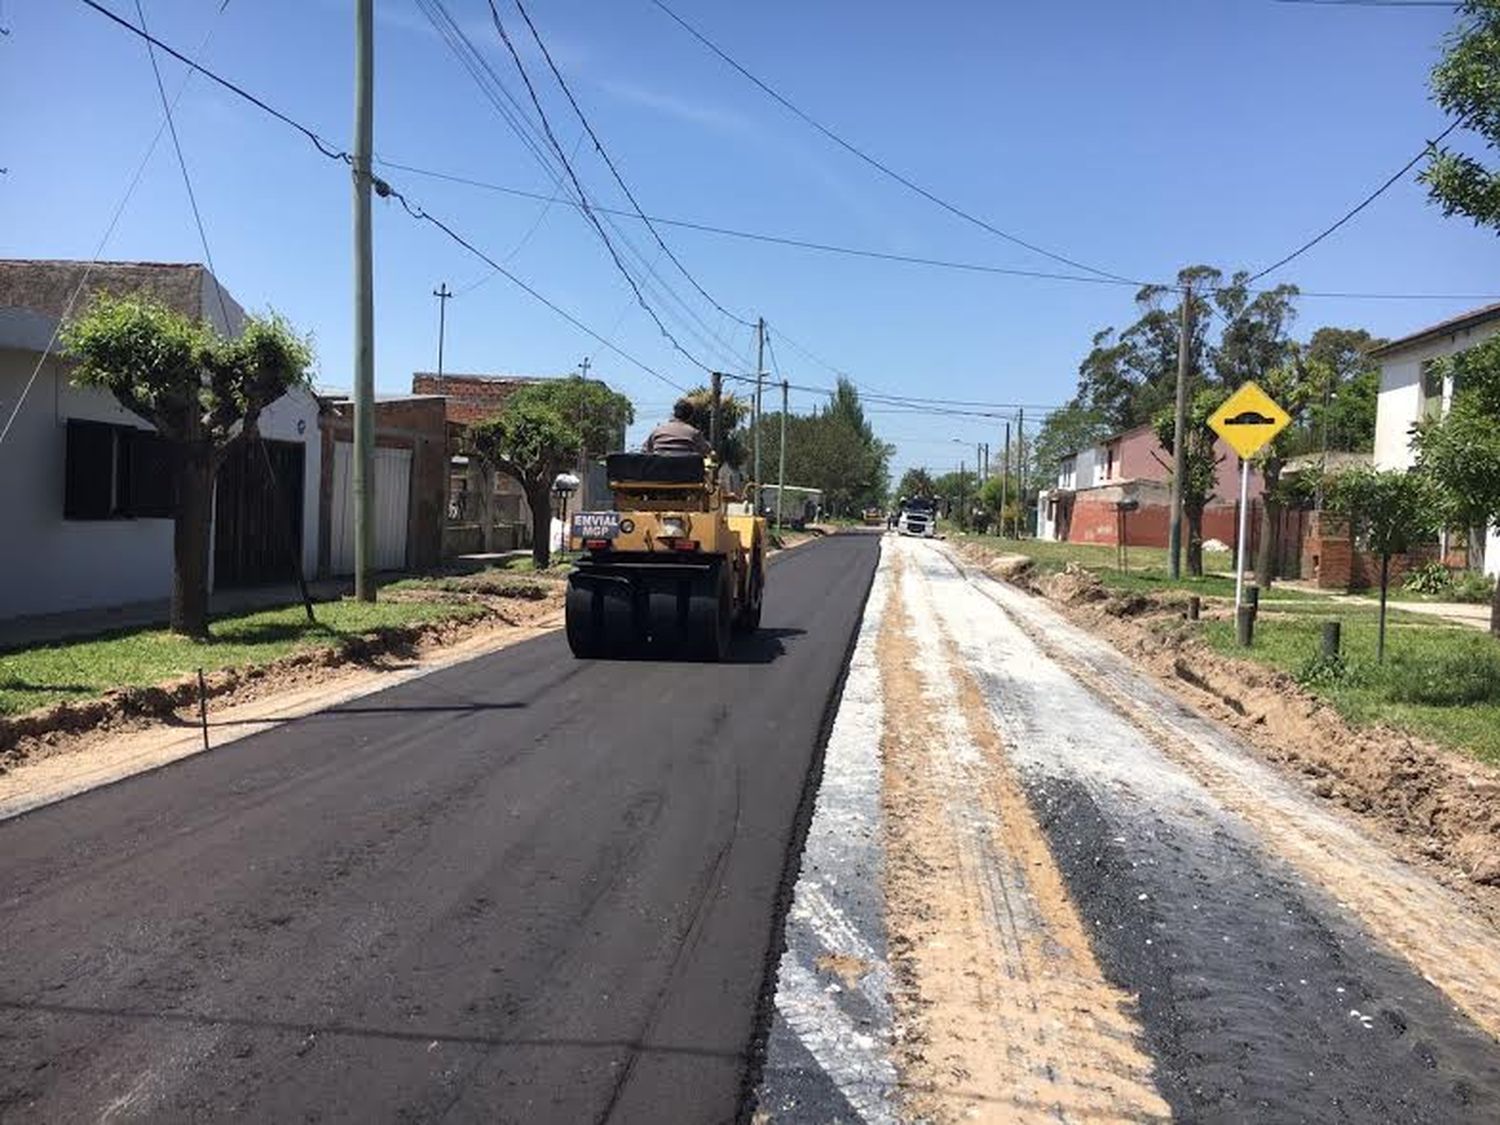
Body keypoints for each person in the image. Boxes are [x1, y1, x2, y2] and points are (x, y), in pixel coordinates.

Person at [644, 398, 711, 456]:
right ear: (690, 416)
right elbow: (707, 451)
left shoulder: (657, 431)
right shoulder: (693, 433)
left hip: (659, 469)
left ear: (674, 413)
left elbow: (645, 450)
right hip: (685, 469)